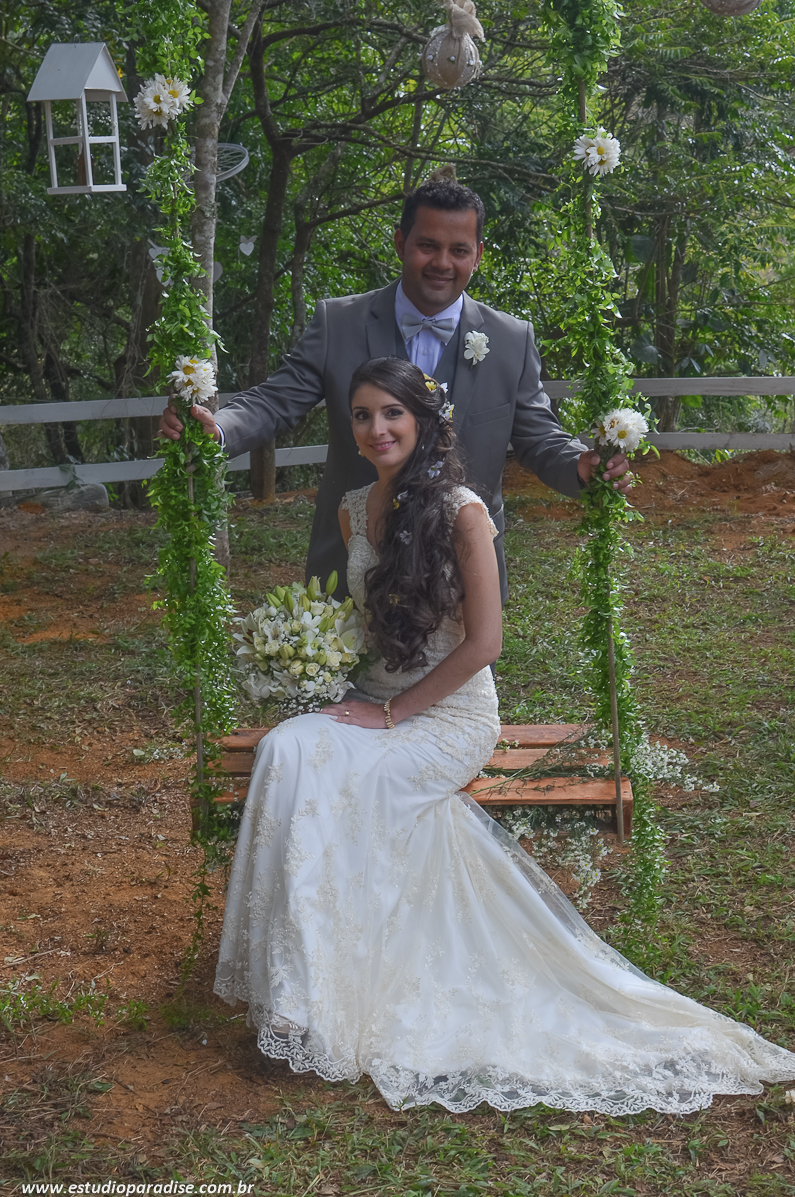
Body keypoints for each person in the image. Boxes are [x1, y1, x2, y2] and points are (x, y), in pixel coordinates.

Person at [214, 356, 795, 1115]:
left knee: (340, 778)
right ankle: (304, 990)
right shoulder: (354, 509)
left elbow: (483, 643)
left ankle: (332, 995)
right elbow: (361, 624)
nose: (376, 428)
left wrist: (392, 714)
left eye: (391, 413)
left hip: (447, 719)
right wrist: (306, 655)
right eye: (361, 415)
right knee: (287, 749)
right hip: (375, 701)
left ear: (421, 421)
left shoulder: (462, 511)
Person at [160, 179, 633, 600]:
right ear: (401, 242)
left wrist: (580, 466)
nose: (442, 263)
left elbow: (537, 437)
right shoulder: (338, 323)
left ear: (478, 254)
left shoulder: (511, 340)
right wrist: (218, 429)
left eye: (459, 250)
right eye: (428, 245)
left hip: (464, 574)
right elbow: (276, 400)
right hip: (352, 564)